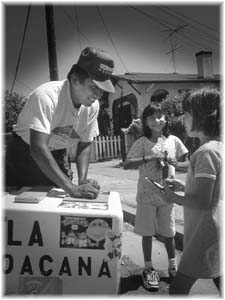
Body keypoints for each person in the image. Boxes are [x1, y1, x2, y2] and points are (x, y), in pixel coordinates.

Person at [5, 46, 115, 199]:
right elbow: (37, 148)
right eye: (94, 87)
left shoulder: (92, 106)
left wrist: (82, 180)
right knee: (24, 204)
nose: (98, 94)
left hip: (56, 154)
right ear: (75, 80)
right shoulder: (46, 96)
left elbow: (85, 143)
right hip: (25, 154)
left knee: (61, 203)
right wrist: (70, 187)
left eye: (102, 90)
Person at [152, 87, 222, 295]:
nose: (183, 119)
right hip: (216, 228)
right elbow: (213, 190)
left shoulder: (205, 152)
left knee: (178, 290)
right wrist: (184, 187)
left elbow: (202, 201)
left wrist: (172, 197)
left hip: (203, 232)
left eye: (187, 114)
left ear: (201, 117)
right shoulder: (218, 147)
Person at [123, 103, 189, 292]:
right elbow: (127, 163)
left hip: (168, 197)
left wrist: (174, 162)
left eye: (160, 116)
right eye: (152, 117)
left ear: (166, 119)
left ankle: (172, 266)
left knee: (169, 233)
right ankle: (149, 267)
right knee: (147, 233)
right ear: (145, 121)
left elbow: (187, 161)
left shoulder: (174, 140)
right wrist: (149, 158)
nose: (157, 120)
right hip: (146, 197)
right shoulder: (142, 142)